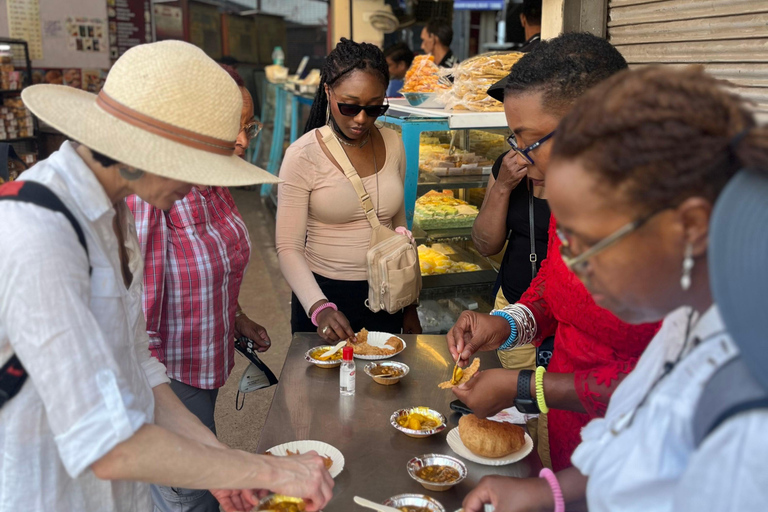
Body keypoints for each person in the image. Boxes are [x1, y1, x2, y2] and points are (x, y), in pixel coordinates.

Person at [0, 40, 333, 512]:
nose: (198, 184)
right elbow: (109, 445)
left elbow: (142, 370)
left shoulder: (115, 214)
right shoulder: (38, 235)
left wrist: (217, 459)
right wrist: (265, 470)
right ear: (141, 150)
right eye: (191, 167)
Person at [462, 65, 768, 512]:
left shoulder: (746, 417)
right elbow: (640, 433)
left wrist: (528, 386)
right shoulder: (685, 324)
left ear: (692, 225)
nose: (577, 269)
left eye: (592, 245)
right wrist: (548, 492)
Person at [447, 33, 659, 472]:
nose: (519, 159)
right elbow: (552, 286)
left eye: (528, 142)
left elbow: (671, 382)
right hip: (570, 449)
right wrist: (502, 326)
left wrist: (526, 386)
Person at [126, 64, 270, 512]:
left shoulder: (213, 178)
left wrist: (236, 315)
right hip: (170, 372)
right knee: (190, 497)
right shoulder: (155, 191)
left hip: (205, 358)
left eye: (249, 126)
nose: (244, 140)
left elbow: (216, 258)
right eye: (232, 128)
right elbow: (141, 324)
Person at [277, 38, 421, 341]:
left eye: (374, 109)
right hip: (323, 296)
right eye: (349, 106)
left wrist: (410, 304)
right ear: (328, 91)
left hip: (388, 295)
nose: (360, 119)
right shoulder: (303, 155)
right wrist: (319, 308)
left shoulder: (393, 142)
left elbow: (399, 228)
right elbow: (288, 248)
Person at [473, 0, 544, 371]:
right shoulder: (510, 167)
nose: (517, 147)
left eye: (526, 136)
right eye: (512, 136)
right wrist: (502, 187)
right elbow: (485, 244)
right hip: (517, 312)